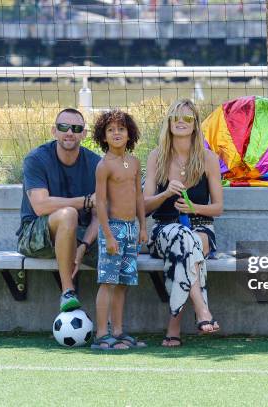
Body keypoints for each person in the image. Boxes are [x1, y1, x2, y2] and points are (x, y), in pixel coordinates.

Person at [144, 98, 224, 348]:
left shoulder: (208, 158)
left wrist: (194, 208)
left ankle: (174, 326)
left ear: (195, 125)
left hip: (201, 227)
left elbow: (218, 208)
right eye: (176, 117)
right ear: (168, 123)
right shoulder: (156, 157)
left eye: (187, 118)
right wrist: (165, 194)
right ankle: (201, 309)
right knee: (183, 240)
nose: (181, 122)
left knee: (187, 245)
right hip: (163, 228)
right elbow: (145, 207)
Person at [17, 108, 101, 312]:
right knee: (68, 214)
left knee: (117, 255)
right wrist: (86, 201)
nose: (69, 132)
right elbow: (40, 206)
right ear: (54, 131)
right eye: (63, 127)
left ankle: (110, 329)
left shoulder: (96, 164)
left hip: (81, 235)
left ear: (84, 134)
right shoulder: (36, 159)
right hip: (36, 236)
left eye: (76, 128)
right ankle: (67, 292)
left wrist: (84, 245)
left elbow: (99, 215)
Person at [91, 110, 148, 350]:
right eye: (111, 130)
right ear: (103, 136)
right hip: (112, 229)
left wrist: (142, 226)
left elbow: (138, 197)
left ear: (129, 133)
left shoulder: (134, 162)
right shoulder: (104, 166)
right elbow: (101, 203)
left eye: (121, 129)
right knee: (108, 281)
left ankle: (118, 331)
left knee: (123, 282)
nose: (117, 133)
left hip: (130, 228)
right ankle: (102, 333)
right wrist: (108, 234)